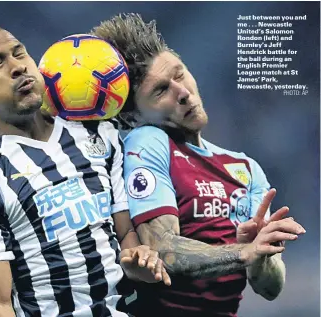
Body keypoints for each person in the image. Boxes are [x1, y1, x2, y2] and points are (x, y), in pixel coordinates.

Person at [0, 25, 170, 317]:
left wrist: (138, 259)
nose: (17, 67)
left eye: (19, 53)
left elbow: (124, 231)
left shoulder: (98, 131)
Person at [91, 14, 306, 317]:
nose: (182, 92)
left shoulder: (246, 167)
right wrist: (243, 252)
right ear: (132, 116)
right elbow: (162, 249)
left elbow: (270, 288)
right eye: (160, 91)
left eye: (179, 75)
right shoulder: (149, 141)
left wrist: (262, 255)